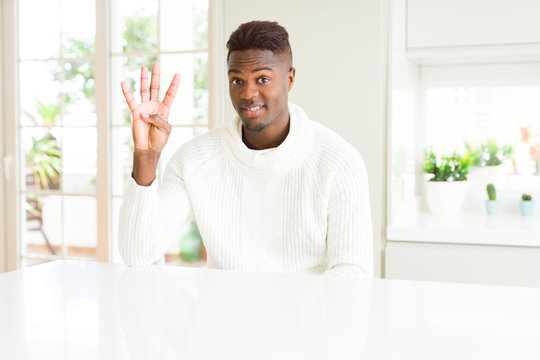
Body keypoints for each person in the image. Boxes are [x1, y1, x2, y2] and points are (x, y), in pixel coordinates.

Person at [119, 21, 373, 277]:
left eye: (262, 79)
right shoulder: (194, 159)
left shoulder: (339, 160)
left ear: (290, 79)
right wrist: (146, 155)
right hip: (222, 316)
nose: (248, 93)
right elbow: (137, 253)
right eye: (237, 80)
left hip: (304, 317)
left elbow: (352, 273)